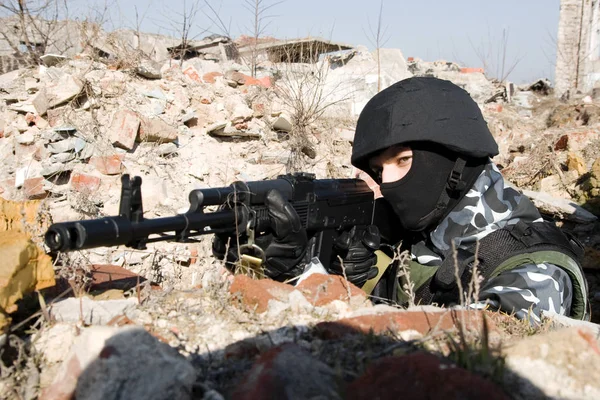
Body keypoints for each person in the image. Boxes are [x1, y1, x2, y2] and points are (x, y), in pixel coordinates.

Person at [213, 76, 590, 322]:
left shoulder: (533, 271)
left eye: (403, 160)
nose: (387, 182)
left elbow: (455, 350)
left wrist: (316, 286)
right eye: (379, 169)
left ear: (455, 162)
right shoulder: (420, 232)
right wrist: (299, 265)